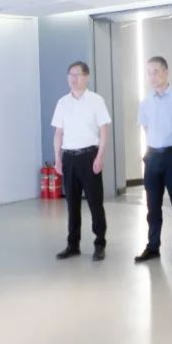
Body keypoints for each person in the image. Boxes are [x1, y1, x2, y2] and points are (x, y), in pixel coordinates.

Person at [52, 60, 111, 261]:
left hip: (89, 156)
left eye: (77, 74)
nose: (73, 78)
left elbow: (104, 130)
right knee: (72, 204)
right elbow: (58, 133)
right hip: (69, 158)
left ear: (86, 77)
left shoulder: (96, 101)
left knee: (95, 203)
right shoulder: (62, 103)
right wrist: (57, 159)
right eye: (70, 74)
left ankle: (100, 243)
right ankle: (73, 244)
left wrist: (100, 156)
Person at [135, 56, 172, 265]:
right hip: (152, 157)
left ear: (166, 72)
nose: (152, 76)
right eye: (149, 72)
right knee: (153, 207)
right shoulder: (145, 102)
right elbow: (146, 128)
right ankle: (153, 247)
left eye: (156, 71)